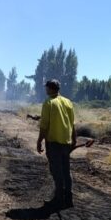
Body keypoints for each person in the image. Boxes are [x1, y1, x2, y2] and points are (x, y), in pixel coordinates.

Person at [37, 79, 76, 210]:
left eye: (46, 87)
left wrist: (39, 141)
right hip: (66, 142)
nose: (45, 90)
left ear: (50, 88)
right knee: (66, 170)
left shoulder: (49, 103)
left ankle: (58, 199)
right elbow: (72, 124)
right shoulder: (68, 102)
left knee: (56, 171)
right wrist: (74, 140)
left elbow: (44, 125)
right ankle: (68, 199)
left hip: (53, 142)